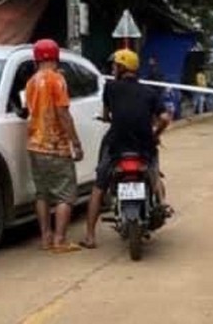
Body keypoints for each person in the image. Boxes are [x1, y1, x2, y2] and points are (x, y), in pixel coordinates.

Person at [81, 49, 171, 249]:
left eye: (115, 66)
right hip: (143, 146)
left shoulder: (110, 88)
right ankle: (161, 203)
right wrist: (155, 134)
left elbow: (106, 115)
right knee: (154, 172)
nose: (113, 69)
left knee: (99, 185)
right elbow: (165, 118)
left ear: (121, 68)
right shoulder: (150, 92)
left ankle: (89, 235)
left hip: (117, 145)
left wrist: (108, 118)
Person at [25, 39, 84, 253]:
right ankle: (60, 240)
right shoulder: (57, 80)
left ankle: (45, 237)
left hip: (34, 145)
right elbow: (63, 113)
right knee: (65, 195)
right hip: (55, 146)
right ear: (55, 57)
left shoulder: (31, 82)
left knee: (42, 194)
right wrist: (75, 142)